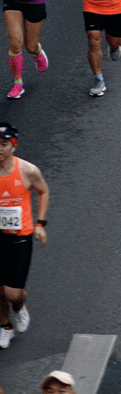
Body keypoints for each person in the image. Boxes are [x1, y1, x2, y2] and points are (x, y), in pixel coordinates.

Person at [0, 119, 47, 346]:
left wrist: (40, 224)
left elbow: (43, 191)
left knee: (12, 293)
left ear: (13, 146)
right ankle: (4, 325)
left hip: (20, 238)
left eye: (3, 144)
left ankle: (19, 306)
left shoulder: (27, 170)